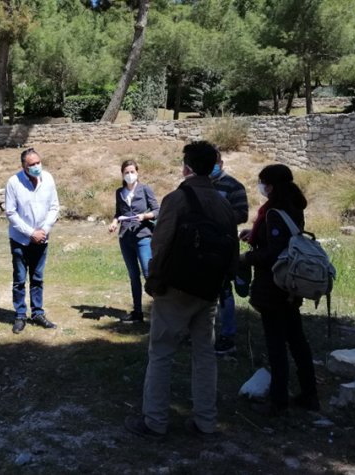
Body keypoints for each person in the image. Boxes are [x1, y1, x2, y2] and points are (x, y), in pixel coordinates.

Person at [125, 141, 238, 441]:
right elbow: (232, 249)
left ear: (186, 167)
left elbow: (160, 243)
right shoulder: (223, 203)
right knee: (205, 354)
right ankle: (206, 422)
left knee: (161, 352)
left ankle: (155, 421)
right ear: (213, 167)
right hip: (208, 289)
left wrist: (154, 279)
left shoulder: (177, 199)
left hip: (176, 286)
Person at [240, 163, 319, 416]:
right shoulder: (294, 207)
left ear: (271, 186)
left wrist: (247, 258)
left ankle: (278, 400)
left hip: (273, 284)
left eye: (263, 183)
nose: (261, 187)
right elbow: (284, 239)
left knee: (276, 344)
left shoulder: (274, 212)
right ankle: (309, 393)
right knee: (297, 339)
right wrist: (255, 234)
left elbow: (274, 252)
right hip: (291, 284)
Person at [5, 148, 60, 334]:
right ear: (24, 166)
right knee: (19, 279)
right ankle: (20, 315)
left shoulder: (48, 179)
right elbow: (11, 212)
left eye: (38, 162)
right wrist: (30, 233)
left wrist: (44, 230)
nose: (37, 166)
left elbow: (54, 207)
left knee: (37, 278)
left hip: (42, 238)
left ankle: (37, 313)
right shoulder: (14, 182)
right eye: (32, 164)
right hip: (20, 239)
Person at [108, 159, 159, 323]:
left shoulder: (145, 189)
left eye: (132, 172)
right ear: (122, 174)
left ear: (137, 172)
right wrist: (114, 222)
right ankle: (137, 312)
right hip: (125, 238)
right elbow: (118, 213)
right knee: (133, 275)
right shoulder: (119, 192)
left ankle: (161, 310)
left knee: (148, 273)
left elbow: (157, 210)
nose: (130, 175)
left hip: (143, 236)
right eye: (126, 172)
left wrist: (145, 216)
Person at [210, 150, 249, 355]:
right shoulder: (198, 185)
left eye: (214, 163)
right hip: (201, 247)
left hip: (225, 247)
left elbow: (242, 214)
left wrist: (217, 216)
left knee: (225, 290)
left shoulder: (234, 186)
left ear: (221, 163)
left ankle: (228, 335)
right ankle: (200, 331)